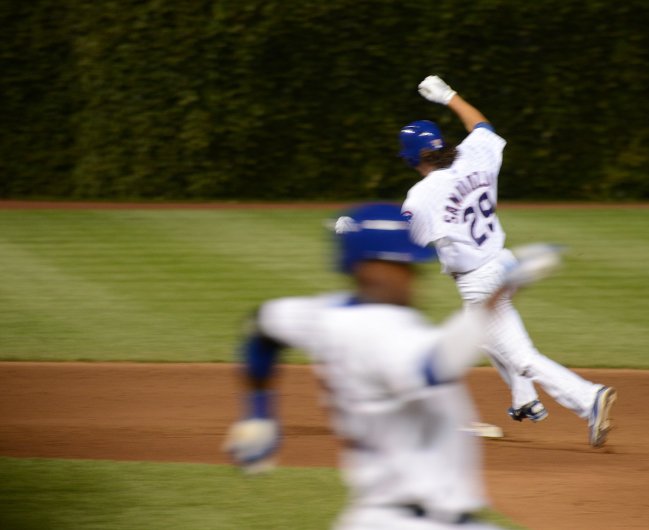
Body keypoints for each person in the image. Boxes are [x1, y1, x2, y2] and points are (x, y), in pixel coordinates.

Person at [222, 202, 562, 529]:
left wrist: (259, 414)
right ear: (368, 267)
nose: (414, 277)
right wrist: (507, 283)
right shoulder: (381, 331)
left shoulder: (324, 314)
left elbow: (261, 327)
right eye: (404, 266)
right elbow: (437, 364)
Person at [398, 75, 616, 447]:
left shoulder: (421, 194)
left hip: (480, 281)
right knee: (477, 333)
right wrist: (449, 95)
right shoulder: (473, 154)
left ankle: (588, 398)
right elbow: (482, 125)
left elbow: (406, 244)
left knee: (523, 356)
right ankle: (525, 400)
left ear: (410, 158)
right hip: (503, 263)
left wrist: (352, 228)